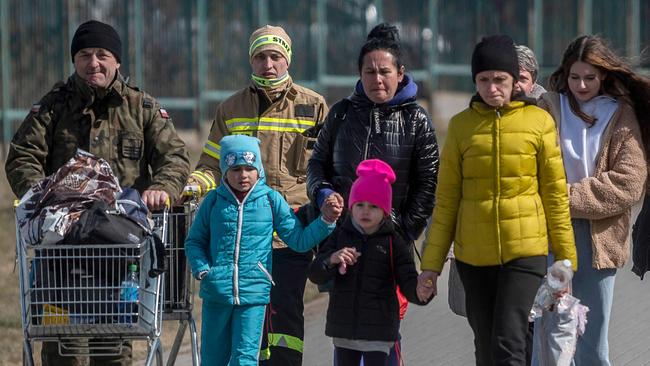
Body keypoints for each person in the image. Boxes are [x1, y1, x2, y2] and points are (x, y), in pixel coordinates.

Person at [4, 20, 190, 366]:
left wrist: (162, 188)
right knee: (61, 344)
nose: (94, 63)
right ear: (75, 60)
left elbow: (174, 157)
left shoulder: (141, 108)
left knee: (114, 342)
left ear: (117, 61)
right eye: (85, 55)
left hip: (119, 243)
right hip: (62, 242)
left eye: (102, 55)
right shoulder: (53, 107)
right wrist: (41, 195)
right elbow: (22, 157)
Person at [417, 35, 577, 366]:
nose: (492, 88)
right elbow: (446, 201)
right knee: (486, 348)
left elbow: (555, 196)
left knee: (509, 342)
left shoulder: (539, 123)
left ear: (514, 81)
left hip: (525, 253)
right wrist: (431, 267)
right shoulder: (461, 127)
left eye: (500, 79)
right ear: (475, 81)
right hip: (474, 259)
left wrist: (565, 259)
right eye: (484, 80)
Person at [185, 24, 334, 365]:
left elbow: (326, 170)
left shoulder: (314, 106)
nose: (268, 64)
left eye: (276, 56)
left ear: (287, 59)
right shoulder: (231, 108)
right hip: (237, 240)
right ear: (251, 61)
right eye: (261, 57)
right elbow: (211, 164)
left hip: (288, 235)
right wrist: (193, 185)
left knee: (284, 320)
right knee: (238, 331)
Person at [307, 22, 439, 365]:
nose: (376, 79)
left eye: (384, 71)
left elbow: (427, 185)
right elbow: (316, 166)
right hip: (344, 241)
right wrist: (322, 195)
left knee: (384, 332)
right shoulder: (342, 113)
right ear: (359, 73)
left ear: (400, 73)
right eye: (369, 72)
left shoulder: (417, 121)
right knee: (347, 331)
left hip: (389, 246)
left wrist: (402, 231)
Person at [533, 35, 650, 366]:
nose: (581, 85)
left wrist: (563, 197)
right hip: (549, 234)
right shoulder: (548, 107)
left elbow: (628, 183)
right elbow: (529, 169)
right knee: (548, 340)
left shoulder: (620, 114)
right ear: (564, 74)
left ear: (603, 76)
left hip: (598, 240)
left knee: (590, 344)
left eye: (590, 77)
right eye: (574, 76)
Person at [184, 135, 339, 366]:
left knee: (245, 358)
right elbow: (194, 242)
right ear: (225, 170)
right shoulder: (214, 202)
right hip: (216, 294)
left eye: (249, 168)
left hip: (254, 294)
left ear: (258, 169)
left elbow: (298, 240)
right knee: (213, 359)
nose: (243, 175)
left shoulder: (270, 200)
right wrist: (204, 271)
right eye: (235, 169)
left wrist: (325, 221)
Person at [309, 159, 431, 366]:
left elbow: (408, 280)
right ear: (351, 207)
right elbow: (315, 273)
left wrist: (421, 293)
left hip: (379, 333)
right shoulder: (340, 236)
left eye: (373, 206)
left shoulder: (394, 243)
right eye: (359, 205)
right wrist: (332, 259)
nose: (365, 211)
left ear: (384, 211)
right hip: (344, 331)